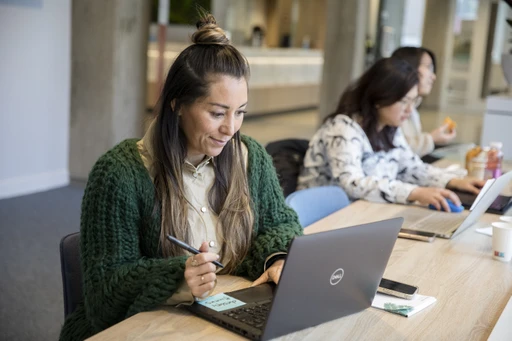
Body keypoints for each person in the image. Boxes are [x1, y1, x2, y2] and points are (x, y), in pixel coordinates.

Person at [60, 14, 302, 341]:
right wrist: (179, 277)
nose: (231, 129)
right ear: (177, 105)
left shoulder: (250, 157)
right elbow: (105, 294)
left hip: (221, 319)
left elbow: (280, 223)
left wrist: (278, 257)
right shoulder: (120, 173)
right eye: (217, 113)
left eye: (240, 111)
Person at [297, 58, 483, 211]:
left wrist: (453, 181)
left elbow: (411, 167)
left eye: (413, 101)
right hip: (327, 218)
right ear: (379, 98)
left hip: (366, 213)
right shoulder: (342, 128)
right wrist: (414, 192)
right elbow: (352, 183)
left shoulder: (389, 128)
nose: (409, 110)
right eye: (403, 102)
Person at [391, 47, 456, 157]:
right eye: (428, 67)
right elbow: (399, 151)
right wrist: (431, 139)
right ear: (408, 67)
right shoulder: (392, 106)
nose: (433, 76)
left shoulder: (413, 109)